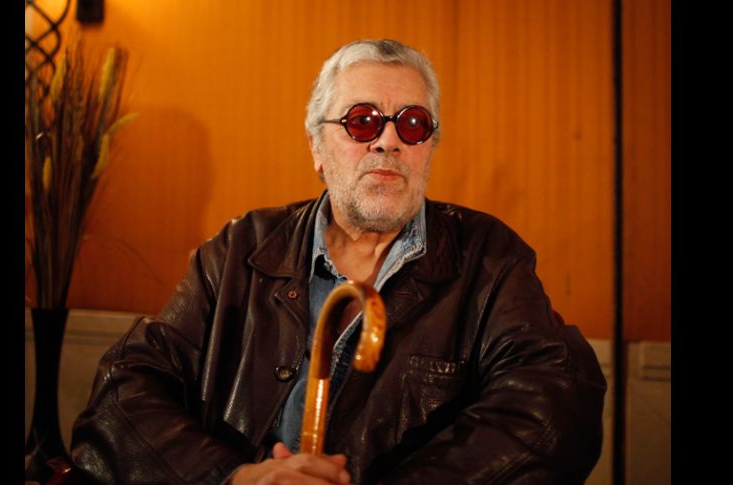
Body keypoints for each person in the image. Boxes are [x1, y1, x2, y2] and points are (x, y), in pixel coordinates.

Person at [70, 39, 606, 484]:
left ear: (430, 147)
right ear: (316, 148)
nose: (389, 141)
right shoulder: (238, 251)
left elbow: (553, 407)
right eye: (362, 121)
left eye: (413, 123)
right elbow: (123, 392)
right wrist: (235, 478)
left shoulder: (490, 258)